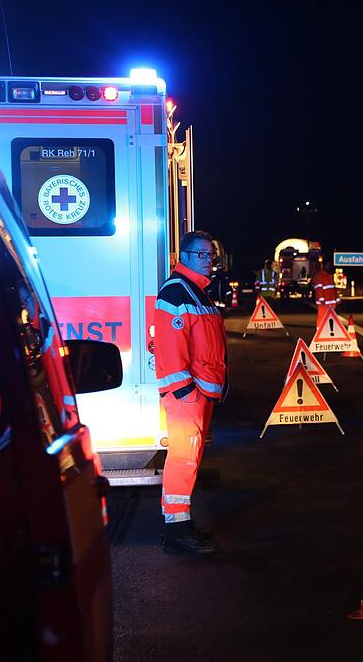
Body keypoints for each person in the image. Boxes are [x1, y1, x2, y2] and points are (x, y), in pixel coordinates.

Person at [155, 230, 228, 554]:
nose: (209, 261)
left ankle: (181, 525)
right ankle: (177, 531)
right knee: (184, 460)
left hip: (199, 394)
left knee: (190, 459)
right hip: (188, 395)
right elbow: (170, 348)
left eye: (211, 255)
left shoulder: (197, 292)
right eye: (202, 255)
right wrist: (187, 393)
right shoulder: (177, 291)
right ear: (183, 256)